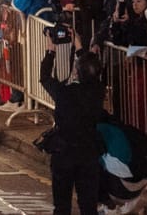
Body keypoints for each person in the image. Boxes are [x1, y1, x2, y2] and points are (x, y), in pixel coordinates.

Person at [39, 44, 105, 215]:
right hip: (88, 151)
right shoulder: (97, 92)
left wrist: (50, 51)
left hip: (64, 151)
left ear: (76, 72)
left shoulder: (64, 92)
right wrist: (83, 50)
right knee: (89, 205)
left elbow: (45, 77)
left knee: (62, 205)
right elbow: (90, 72)